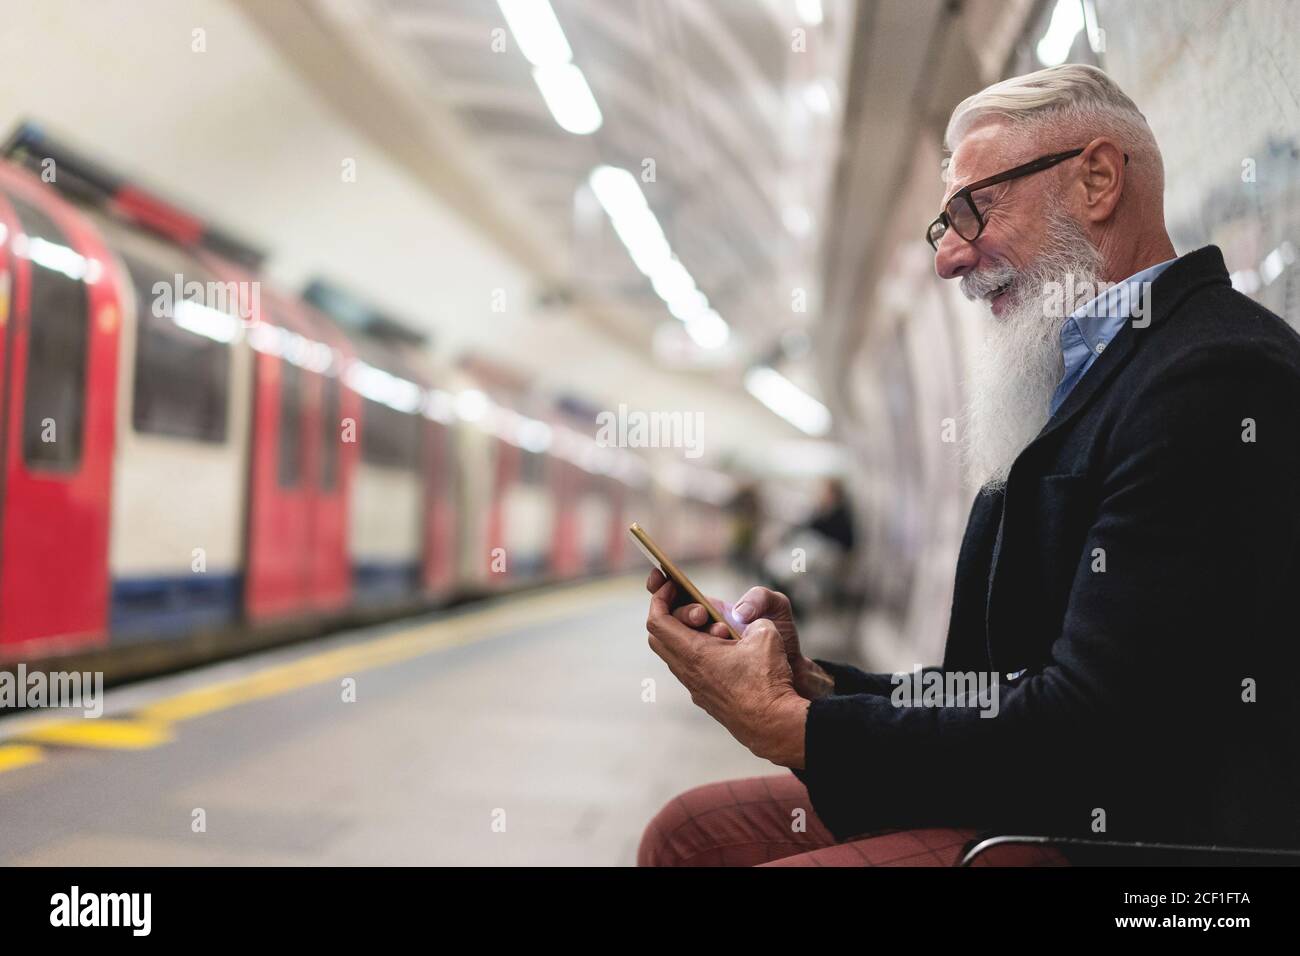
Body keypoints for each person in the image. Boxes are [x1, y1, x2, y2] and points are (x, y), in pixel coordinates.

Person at [637, 63, 1300, 867]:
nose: (950, 259)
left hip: (1142, 845)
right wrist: (816, 685)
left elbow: (1091, 723)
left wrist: (795, 729)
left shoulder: (1213, 376)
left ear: (1096, 179)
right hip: (1035, 804)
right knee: (688, 834)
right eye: (942, 226)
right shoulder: (1077, 385)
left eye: (972, 210)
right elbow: (997, 689)